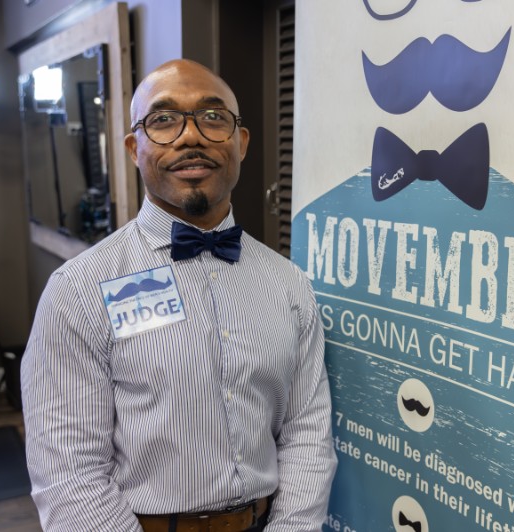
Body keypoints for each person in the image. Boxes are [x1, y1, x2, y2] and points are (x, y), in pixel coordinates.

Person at [21, 59, 337, 531]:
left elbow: (307, 431)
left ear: (240, 143)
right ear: (134, 148)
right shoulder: (78, 292)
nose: (191, 136)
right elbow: (68, 472)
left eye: (212, 117)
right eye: (164, 120)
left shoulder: (288, 284)